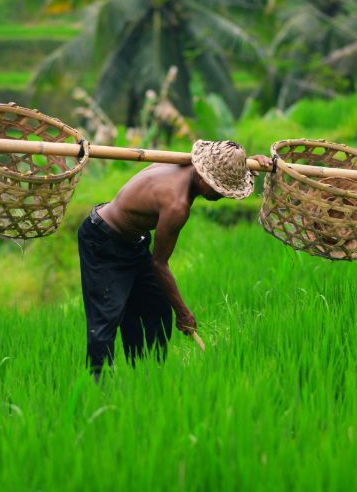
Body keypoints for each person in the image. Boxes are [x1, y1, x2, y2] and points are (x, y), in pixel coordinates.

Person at [77, 140, 271, 379]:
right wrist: (183, 313)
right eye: (219, 189)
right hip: (104, 241)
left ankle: (148, 380)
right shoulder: (177, 205)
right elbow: (159, 264)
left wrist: (246, 164)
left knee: (156, 309)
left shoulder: (185, 162)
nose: (221, 196)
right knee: (105, 319)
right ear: (203, 178)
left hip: (134, 242)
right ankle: (98, 388)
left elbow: (221, 164)